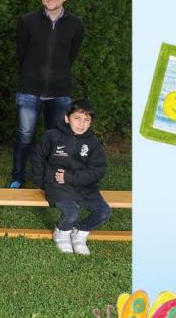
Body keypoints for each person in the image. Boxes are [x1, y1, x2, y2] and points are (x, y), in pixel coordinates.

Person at [10, 0, 84, 188]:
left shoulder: (75, 24)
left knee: (57, 139)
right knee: (24, 136)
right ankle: (18, 177)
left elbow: (71, 55)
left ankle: (49, 178)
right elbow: (22, 53)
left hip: (60, 92)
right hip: (29, 89)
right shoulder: (27, 21)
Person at [31, 99, 109, 256]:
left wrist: (70, 177)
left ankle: (79, 233)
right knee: (72, 212)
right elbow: (38, 158)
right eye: (77, 118)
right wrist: (42, 182)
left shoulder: (93, 143)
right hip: (57, 185)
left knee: (103, 212)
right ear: (67, 118)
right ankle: (62, 232)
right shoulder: (52, 136)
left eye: (86, 120)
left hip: (84, 186)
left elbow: (98, 170)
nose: (81, 124)